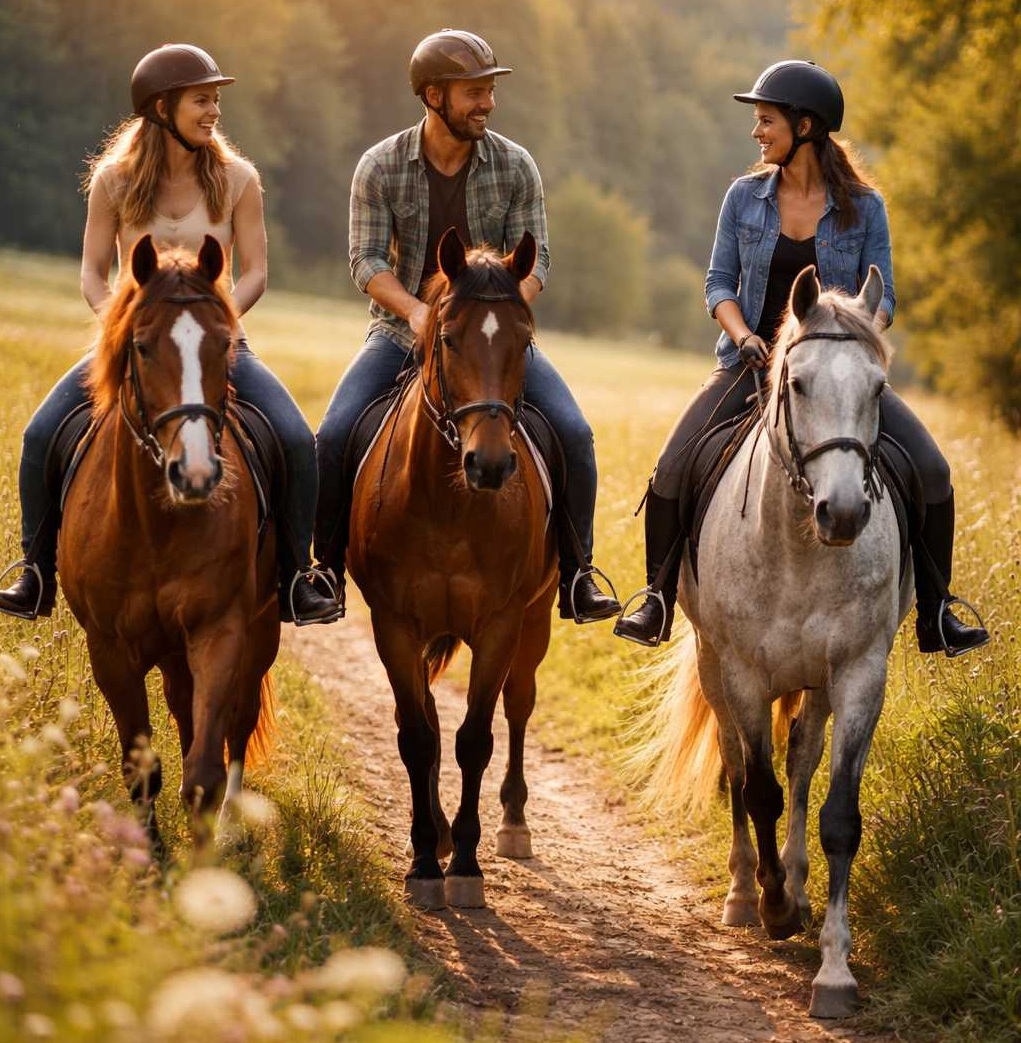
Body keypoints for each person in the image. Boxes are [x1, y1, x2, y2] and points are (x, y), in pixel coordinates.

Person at [614, 59, 989, 657]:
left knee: (934, 472)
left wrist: (854, 341)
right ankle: (657, 599)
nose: (757, 132)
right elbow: (718, 284)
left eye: (766, 121)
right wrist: (742, 337)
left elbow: (883, 294)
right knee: (671, 469)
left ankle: (937, 612)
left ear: (805, 127)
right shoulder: (743, 198)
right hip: (751, 359)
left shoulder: (866, 208)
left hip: (837, 368)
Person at [0, 43, 342, 626]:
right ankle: (36, 572)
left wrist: (216, 323)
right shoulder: (113, 180)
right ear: (162, 108)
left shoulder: (238, 179)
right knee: (39, 436)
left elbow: (257, 270)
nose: (213, 112)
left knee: (292, 438)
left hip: (216, 343)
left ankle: (295, 575)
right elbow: (91, 271)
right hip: (131, 344)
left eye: (215, 101)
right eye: (201, 100)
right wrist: (121, 326)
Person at [314, 28, 619, 623]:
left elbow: (540, 261)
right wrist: (418, 311)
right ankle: (324, 572)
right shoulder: (379, 166)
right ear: (434, 97)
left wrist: (505, 312)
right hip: (402, 332)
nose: (488, 103)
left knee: (575, 434)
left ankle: (577, 575)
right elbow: (366, 261)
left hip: (493, 341)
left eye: (489, 90)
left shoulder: (515, 166)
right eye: (474, 91)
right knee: (333, 433)